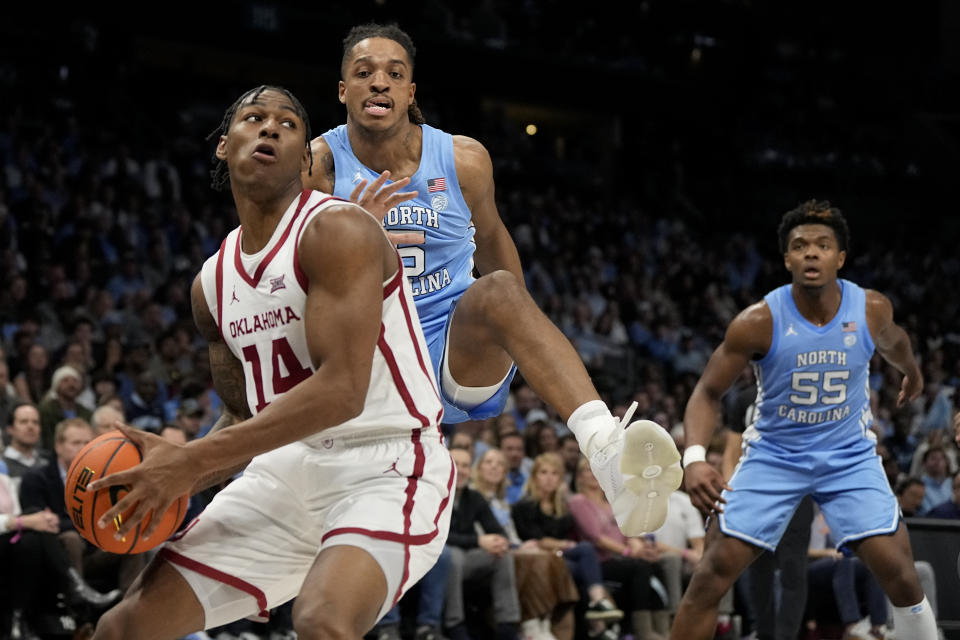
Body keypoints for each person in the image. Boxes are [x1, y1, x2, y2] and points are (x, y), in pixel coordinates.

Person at [86, 85, 454, 640]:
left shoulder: (338, 229)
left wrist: (190, 462)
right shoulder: (211, 284)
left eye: (288, 125)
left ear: (305, 160)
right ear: (222, 145)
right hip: (280, 473)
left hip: (385, 466)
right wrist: (169, 477)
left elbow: (341, 392)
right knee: (122, 628)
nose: (270, 128)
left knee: (322, 622)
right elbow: (240, 416)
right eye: (254, 117)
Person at [303, 22, 681, 536]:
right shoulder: (318, 168)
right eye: (363, 73)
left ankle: (607, 456)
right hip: (368, 358)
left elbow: (498, 248)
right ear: (343, 90)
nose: (378, 83)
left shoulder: (464, 160)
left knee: (501, 288)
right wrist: (347, 231)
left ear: (410, 92)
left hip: (452, 352)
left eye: (394, 74)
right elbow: (292, 276)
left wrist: (521, 341)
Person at [672, 200, 938, 639]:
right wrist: (695, 458)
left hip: (848, 456)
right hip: (775, 457)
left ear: (840, 258)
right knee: (711, 574)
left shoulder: (870, 309)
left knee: (903, 576)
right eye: (800, 246)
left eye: (822, 245)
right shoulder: (757, 321)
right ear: (787, 259)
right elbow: (706, 392)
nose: (811, 252)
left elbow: (896, 342)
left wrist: (912, 370)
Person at [444, 447, 522, 640]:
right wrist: (479, 540)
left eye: (465, 466)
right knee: (452, 556)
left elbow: (498, 531)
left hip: (468, 555)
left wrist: (498, 542)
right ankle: (455, 624)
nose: (461, 470)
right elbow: (436, 536)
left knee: (502, 556)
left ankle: (507, 625)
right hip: (438, 556)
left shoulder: (473, 497)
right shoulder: (435, 494)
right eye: (456, 464)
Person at [2, 402, 50, 487]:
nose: (31, 426)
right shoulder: (1, 464)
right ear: (10, 429)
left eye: (35, 422)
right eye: (23, 422)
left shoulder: (48, 464)